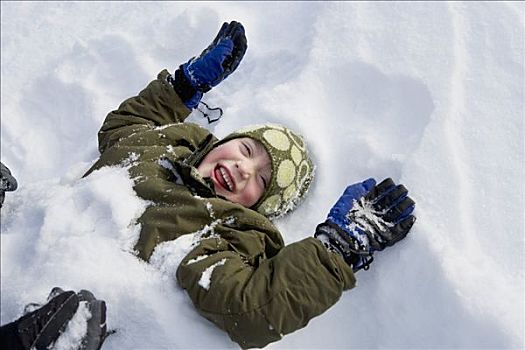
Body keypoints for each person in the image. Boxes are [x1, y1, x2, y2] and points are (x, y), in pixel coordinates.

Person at [1, 21, 416, 349]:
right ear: (226, 140)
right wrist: (183, 87)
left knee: (73, 318)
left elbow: (251, 307)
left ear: (259, 208)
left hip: (52, 301)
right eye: (247, 149)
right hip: (17, 233)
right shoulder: (163, 142)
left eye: (262, 180)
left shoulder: (220, 231)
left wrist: (337, 247)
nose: (243, 168)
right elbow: (124, 126)